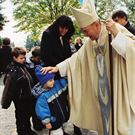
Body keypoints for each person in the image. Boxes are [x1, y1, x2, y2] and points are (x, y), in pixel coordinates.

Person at [40, 0, 135, 135]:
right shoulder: (91, 41)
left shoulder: (114, 30)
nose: (84, 35)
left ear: (96, 24)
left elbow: (133, 51)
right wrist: (57, 68)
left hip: (119, 92)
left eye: (85, 31)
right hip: (104, 96)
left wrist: (117, 36)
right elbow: (77, 59)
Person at [40, 15, 82, 134]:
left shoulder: (66, 36)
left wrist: (67, 65)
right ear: (57, 26)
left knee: (72, 101)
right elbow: (46, 56)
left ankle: (76, 127)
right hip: (54, 76)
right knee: (56, 103)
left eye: (66, 29)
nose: (63, 31)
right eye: (62, 28)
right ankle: (58, 130)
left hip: (66, 74)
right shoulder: (47, 34)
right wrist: (60, 67)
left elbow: (68, 54)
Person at [1, 47, 37, 135]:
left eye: (24, 57)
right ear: (14, 57)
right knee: (21, 117)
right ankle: (22, 132)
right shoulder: (12, 70)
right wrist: (5, 103)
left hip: (27, 97)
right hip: (20, 99)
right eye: (21, 58)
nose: (24, 60)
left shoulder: (22, 66)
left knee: (27, 115)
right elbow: (8, 88)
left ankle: (28, 130)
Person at [32, 65, 69, 135]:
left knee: (62, 128)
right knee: (57, 132)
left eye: (53, 79)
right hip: (53, 121)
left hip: (61, 117)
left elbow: (64, 82)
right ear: (44, 82)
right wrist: (47, 122)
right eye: (50, 80)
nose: (53, 81)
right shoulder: (42, 97)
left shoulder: (57, 86)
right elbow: (42, 109)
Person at [25, 46, 44, 131]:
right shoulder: (28, 65)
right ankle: (37, 125)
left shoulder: (41, 62)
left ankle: (41, 123)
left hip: (41, 89)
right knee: (34, 108)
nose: (39, 60)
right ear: (34, 56)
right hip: (32, 90)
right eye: (38, 58)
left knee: (41, 106)